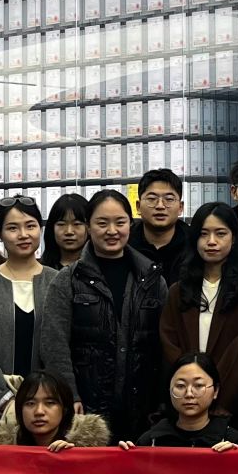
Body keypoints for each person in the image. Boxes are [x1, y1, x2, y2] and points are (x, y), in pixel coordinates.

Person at [0, 195, 73, 444]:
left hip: (48, 417)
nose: (23, 235)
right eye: (12, 228)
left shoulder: (58, 281)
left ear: (40, 229)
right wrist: (5, 399)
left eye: (30, 226)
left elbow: (66, 346)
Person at [69, 188, 167, 440]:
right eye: (102, 223)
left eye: (120, 222)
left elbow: (165, 343)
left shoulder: (153, 280)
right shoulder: (68, 279)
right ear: (88, 227)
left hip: (143, 406)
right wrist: (71, 394)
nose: (112, 231)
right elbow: (54, 344)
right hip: (87, 408)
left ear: (130, 225)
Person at [160, 201, 238, 435]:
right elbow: (169, 343)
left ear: (234, 238)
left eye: (220, 233)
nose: (211, 241)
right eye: (203, 234)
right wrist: (192, 386)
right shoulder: (178, 290)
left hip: (235, 405)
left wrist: (213, 390)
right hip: (186, 404)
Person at [128, 353, 238, 451]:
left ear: (215, 391)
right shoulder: (150, 441)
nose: (189, 394)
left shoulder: (234, 442)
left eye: (198, 385)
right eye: (180, 386)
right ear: (169, 390)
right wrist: (124, 456)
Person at [132, 168, 190, 281]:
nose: (160, 206)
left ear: (180, 207)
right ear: (138, 207)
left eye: (169, 199)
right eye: (152, 199)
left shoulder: (194, 244)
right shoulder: (125, 244)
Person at [38, 192, 92, 270]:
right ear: (51, 228)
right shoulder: (41, 271)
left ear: (89, 227)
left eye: (76, 224)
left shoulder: (99, 269)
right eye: (61, 224)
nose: (69, 232)